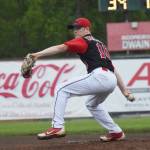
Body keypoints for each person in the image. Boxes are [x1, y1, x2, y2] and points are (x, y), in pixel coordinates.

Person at [30, 17, 134, 142]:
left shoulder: (84, 41)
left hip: (100, 76)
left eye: (78, 28)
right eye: (73, 28)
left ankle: (57, 127)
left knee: (61, 89)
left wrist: (36, 55)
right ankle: (116, 132)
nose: (75, 31)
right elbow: (113, 69)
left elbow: (61, 48)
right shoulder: (100, 44)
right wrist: (124, 90)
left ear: (86, 29)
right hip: (111, 80)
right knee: (92, 104)